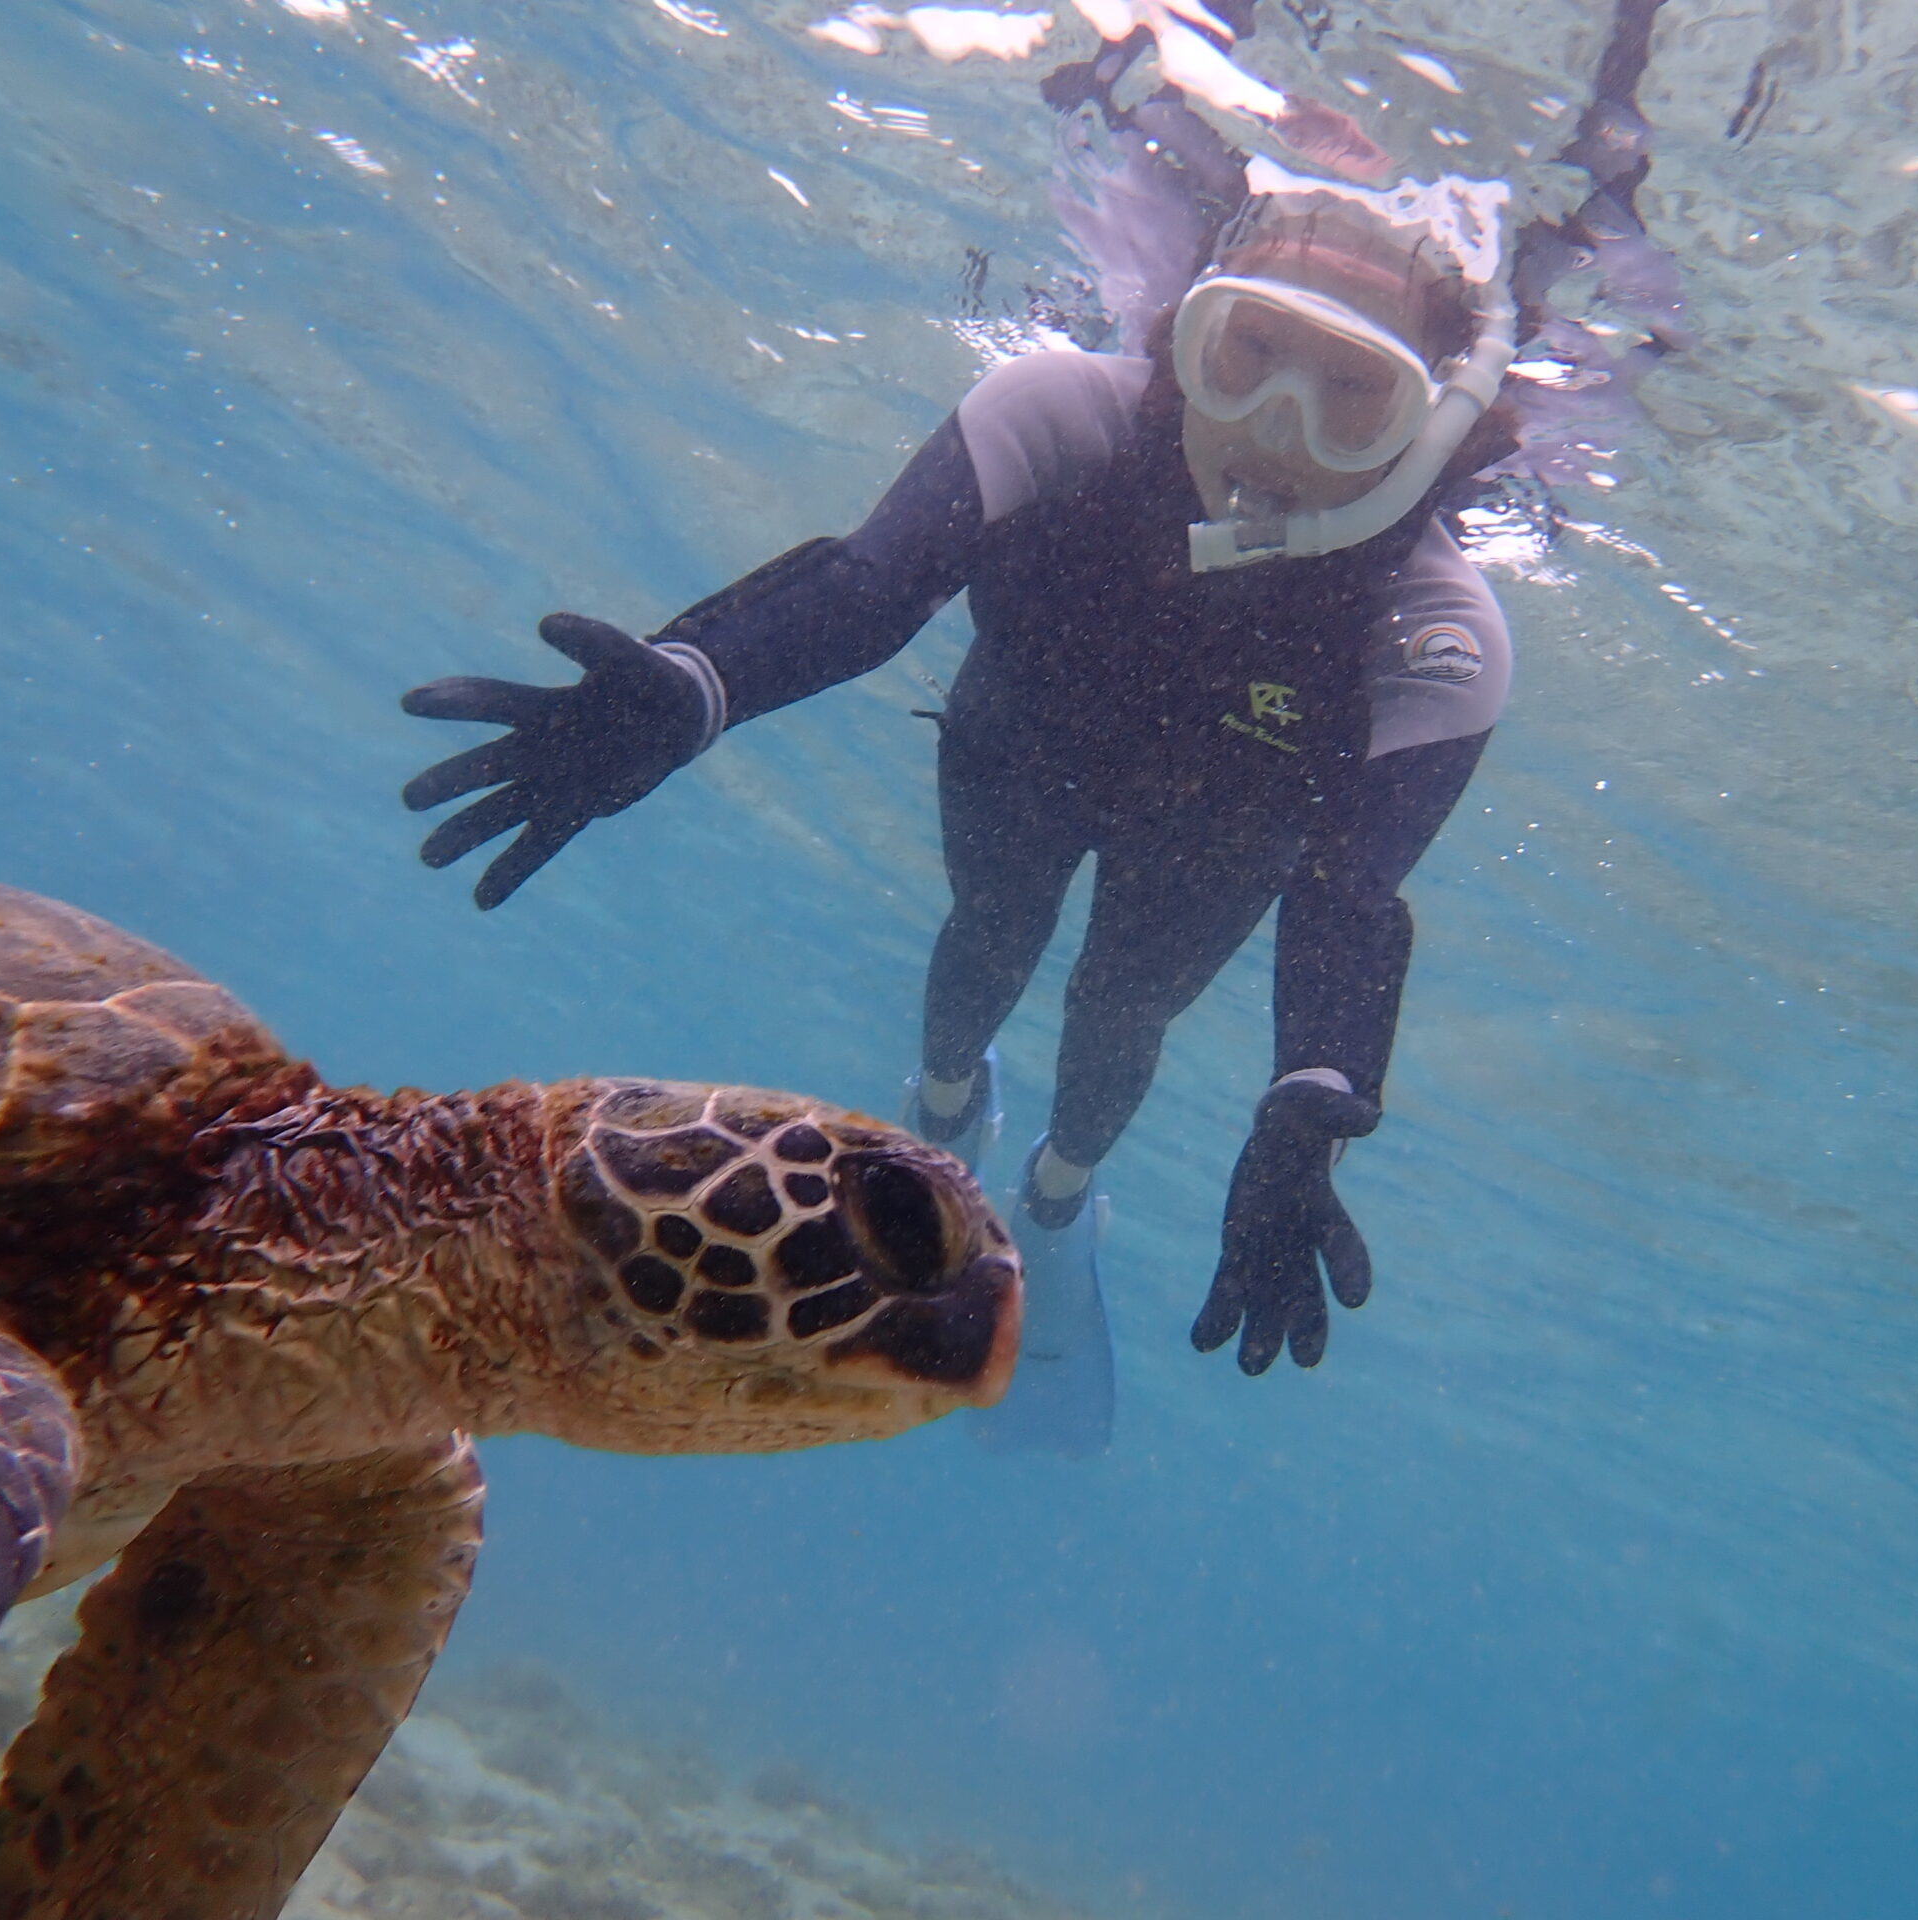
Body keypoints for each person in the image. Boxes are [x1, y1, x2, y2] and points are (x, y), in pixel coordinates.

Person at [402, 2, 1679, 1453]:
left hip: (1218, 839)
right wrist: (693, 685)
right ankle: (946, 1117)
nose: (1275, 427)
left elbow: (1348, 889)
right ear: (1185, 331)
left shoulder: (1437, 626)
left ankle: (1059, 1203)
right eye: (1249, 352)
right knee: (987, 938)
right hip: (1022, 750)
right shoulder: (1061, 413)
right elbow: (867, 590)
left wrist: (1312, 1104)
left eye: (1351, 400)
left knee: (1117, 1019)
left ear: (1429, 428)